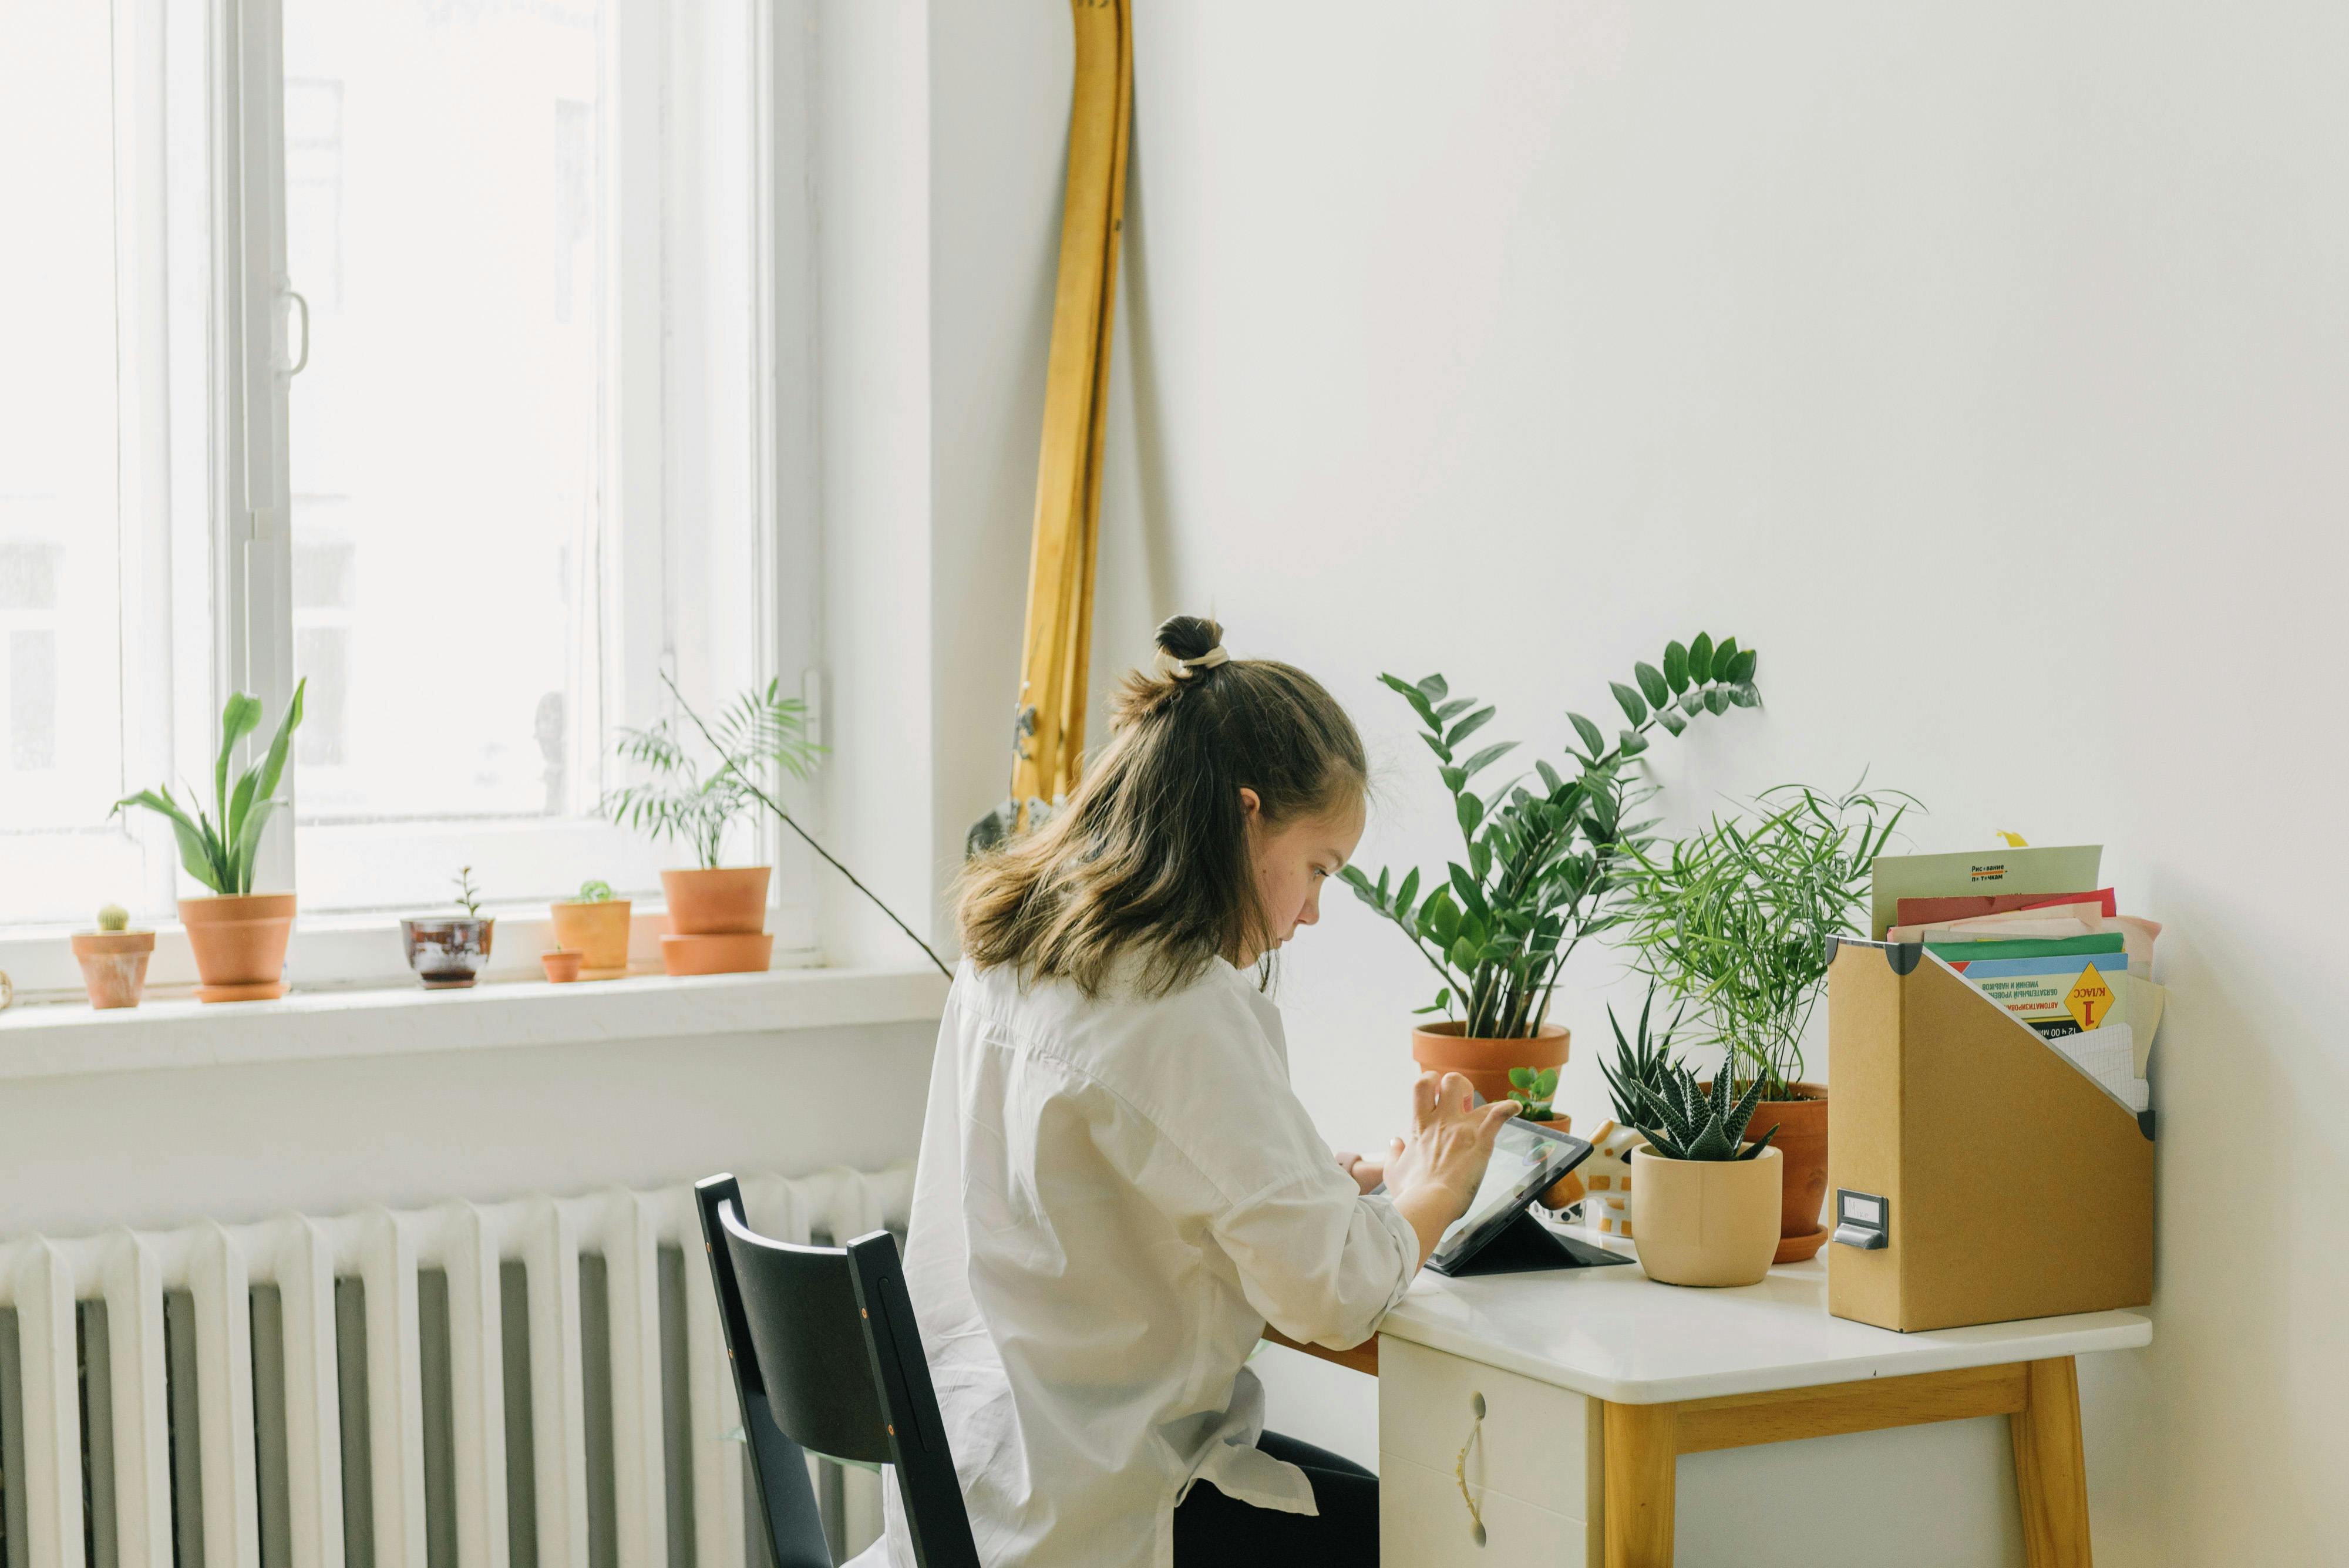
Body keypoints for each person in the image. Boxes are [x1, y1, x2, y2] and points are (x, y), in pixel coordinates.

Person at [871, 615, 1519, 1568]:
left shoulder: (1013, 949)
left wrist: (1321, 1184)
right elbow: (1332, 1296)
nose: (1311, 911)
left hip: (978, 1489)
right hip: (1103, 1513)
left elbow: (1123, 1185)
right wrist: (1434, 1191)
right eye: (1317, 869)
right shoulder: (1179, 1002)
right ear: (1245, 815)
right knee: (1433, 1530)